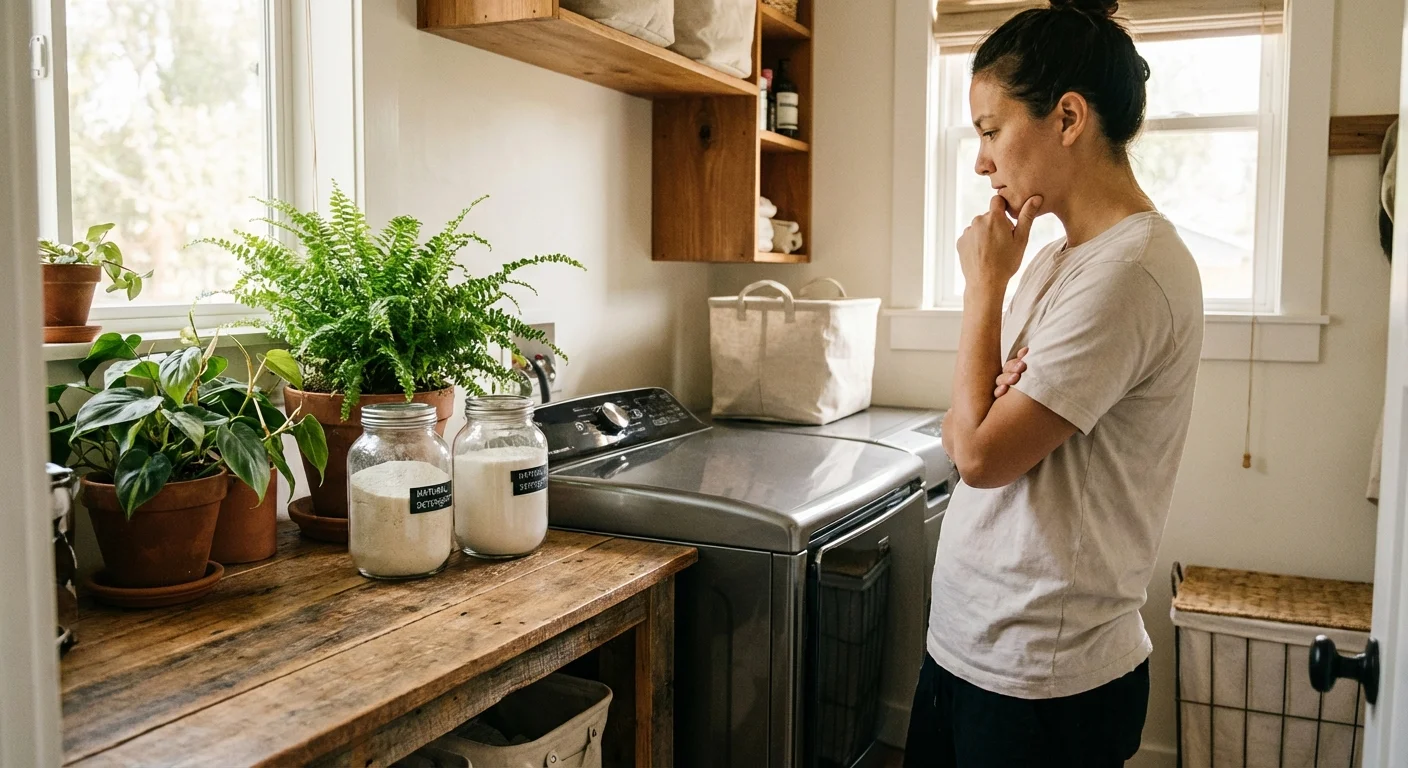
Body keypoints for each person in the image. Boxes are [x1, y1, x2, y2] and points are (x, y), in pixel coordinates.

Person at [904, 0, 1205, 765]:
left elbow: (976, 456)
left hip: (1042, 682)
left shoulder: (1130, 273)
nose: (980, 162)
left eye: (989, 130)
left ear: (1068, 117)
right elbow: (969, 420)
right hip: (971, 648)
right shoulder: (1054, 261)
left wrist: (983, 290)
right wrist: (982, 404)